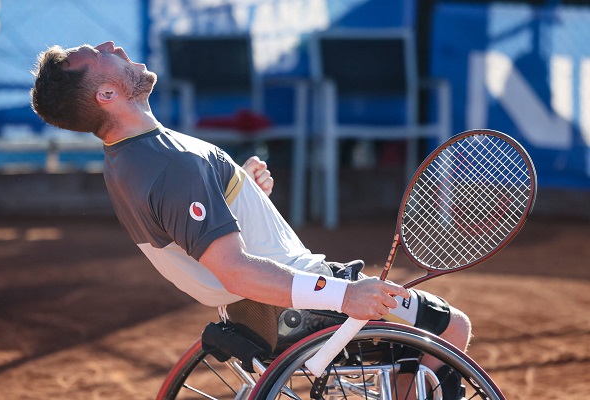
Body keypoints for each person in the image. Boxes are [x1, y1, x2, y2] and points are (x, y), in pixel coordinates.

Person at [30, 41, 471, 390]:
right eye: (99, 54)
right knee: (452, 328)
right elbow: (237, 271)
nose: (113, 45)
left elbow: (182, 226)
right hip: (293, 308)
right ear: (106, 95)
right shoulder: (173, 164)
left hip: (251, 315)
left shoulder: (127, 159)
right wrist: (344, 296)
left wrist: (238, 190)